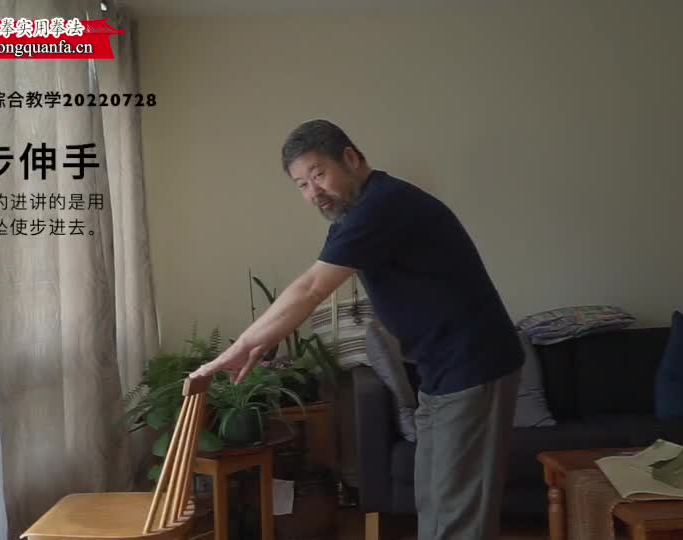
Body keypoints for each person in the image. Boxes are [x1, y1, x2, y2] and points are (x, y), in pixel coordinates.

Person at [190, 119, 524, 540]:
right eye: (302, 185)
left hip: (474, 367)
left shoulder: (383, 205)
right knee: (434, 503)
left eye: (319, 174)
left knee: (459, 517)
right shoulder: (355, 216)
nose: (314, 192)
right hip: (439, 371)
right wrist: (257, 343)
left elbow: (312, 288)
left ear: (350, 158)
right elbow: (314, 283)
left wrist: (238, 347)